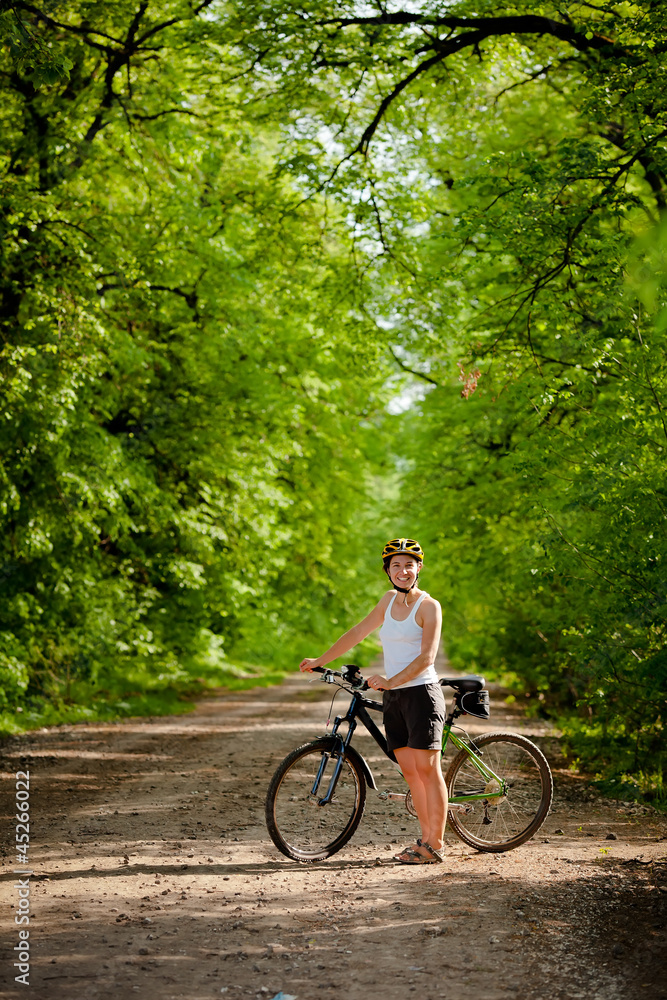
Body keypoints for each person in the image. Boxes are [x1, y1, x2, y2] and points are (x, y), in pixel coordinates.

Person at [299, 537, 448, 864]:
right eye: (396, 565)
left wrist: (391, 680)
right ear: (388, 570)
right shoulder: (387, 601)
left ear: (419, 568)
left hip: (422, 693)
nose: (403, 570)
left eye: (409, 564)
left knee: (427, 768)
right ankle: (423, 840)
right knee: (410, 772)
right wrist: (320, 659)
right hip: (395, 697)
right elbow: (357, 632)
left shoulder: (428, 606)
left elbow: (427, 657)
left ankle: (435, 844)